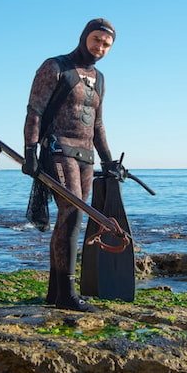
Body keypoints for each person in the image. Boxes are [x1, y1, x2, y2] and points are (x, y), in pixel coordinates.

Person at [22, 18, 120, 312]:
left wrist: (109, 160)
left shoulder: (100, 79)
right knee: (73, 212)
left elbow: (99, 124)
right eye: (96, 40)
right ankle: (67, 294)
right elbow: (34, 110)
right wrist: (30, 151)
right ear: (84, 37)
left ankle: (55, 293)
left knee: (70, 218)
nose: (100, 48)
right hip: (57, 149)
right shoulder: (55, 67)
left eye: (106, 44)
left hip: (86, 155)